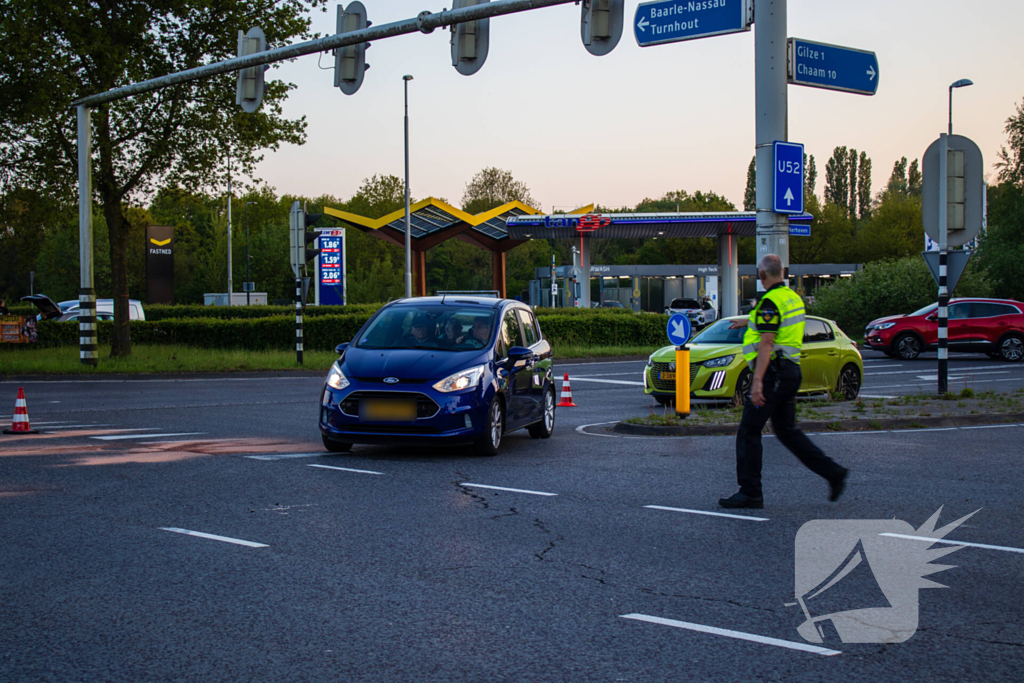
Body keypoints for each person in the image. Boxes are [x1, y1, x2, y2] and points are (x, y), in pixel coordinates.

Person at [718, 254, 848, 509]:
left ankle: (750, 492)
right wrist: (746, 320)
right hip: (790, 373)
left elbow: (767, 341)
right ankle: (833, 472)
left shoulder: (769, 301)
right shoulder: (792, 298)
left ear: (762, 275)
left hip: (771, 375)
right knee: (787, 431)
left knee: (748, 431)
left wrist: (757, 383)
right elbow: (778, 325)